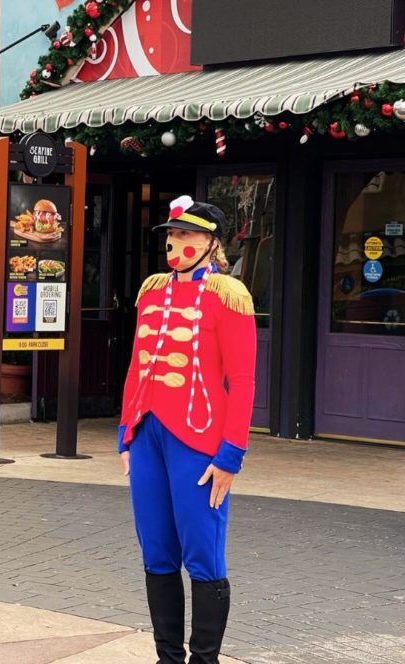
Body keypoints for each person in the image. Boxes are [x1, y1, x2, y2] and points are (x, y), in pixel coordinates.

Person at [118, 196, 256, 664]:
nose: (176, 243)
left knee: (203, 554)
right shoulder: (152, 291)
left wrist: (231, 455)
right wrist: (125, 433)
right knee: (156, 550)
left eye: (188, 235)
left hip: (199, 440)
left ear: (212, 243)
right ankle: (168, 659)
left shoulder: (228, 295)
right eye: (173, 235)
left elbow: (242, 382)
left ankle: (204, 660)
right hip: (148, 438)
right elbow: (137, 366)